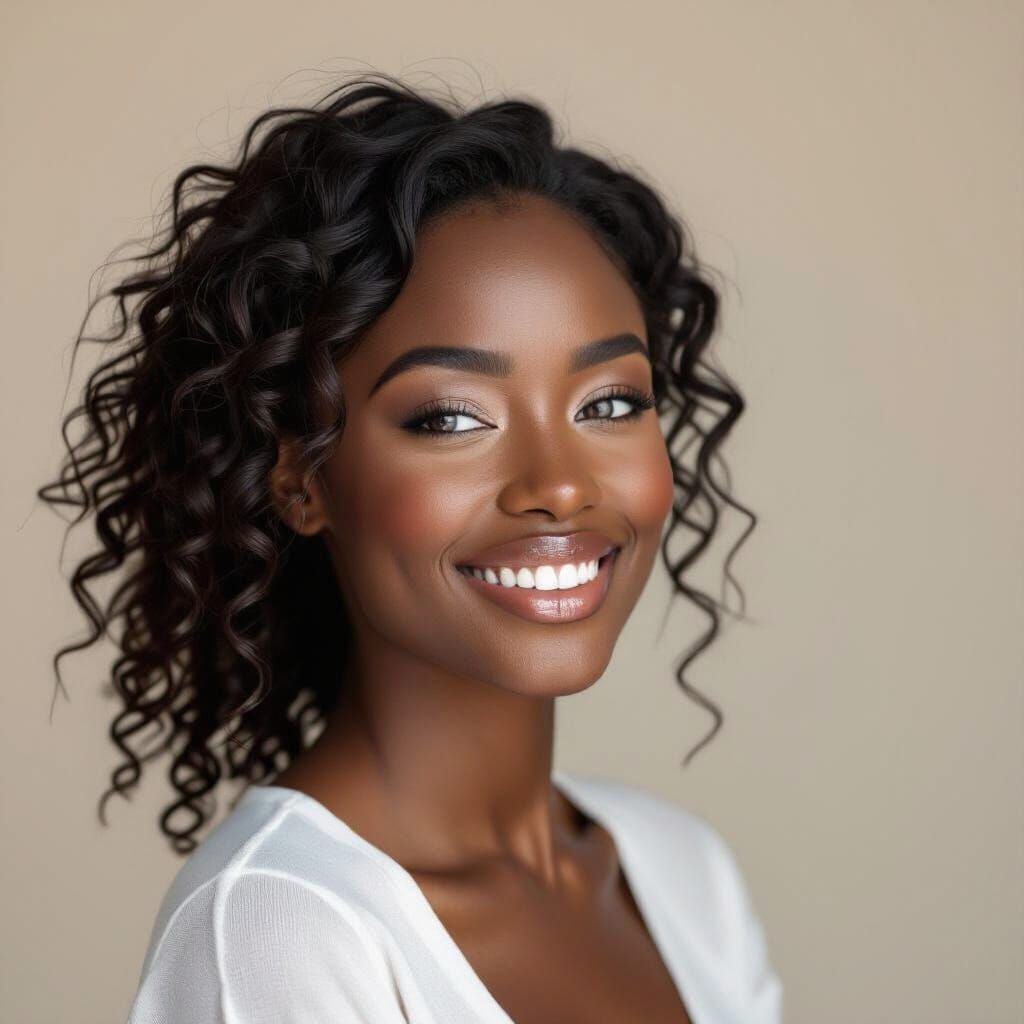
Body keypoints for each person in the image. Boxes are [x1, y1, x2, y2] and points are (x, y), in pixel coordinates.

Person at [38, 71, 783, 1023]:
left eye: (609, 403)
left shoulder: (683, 876)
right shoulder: (276, 930)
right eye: (451, 417)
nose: (560, 484)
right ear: (300, 481)